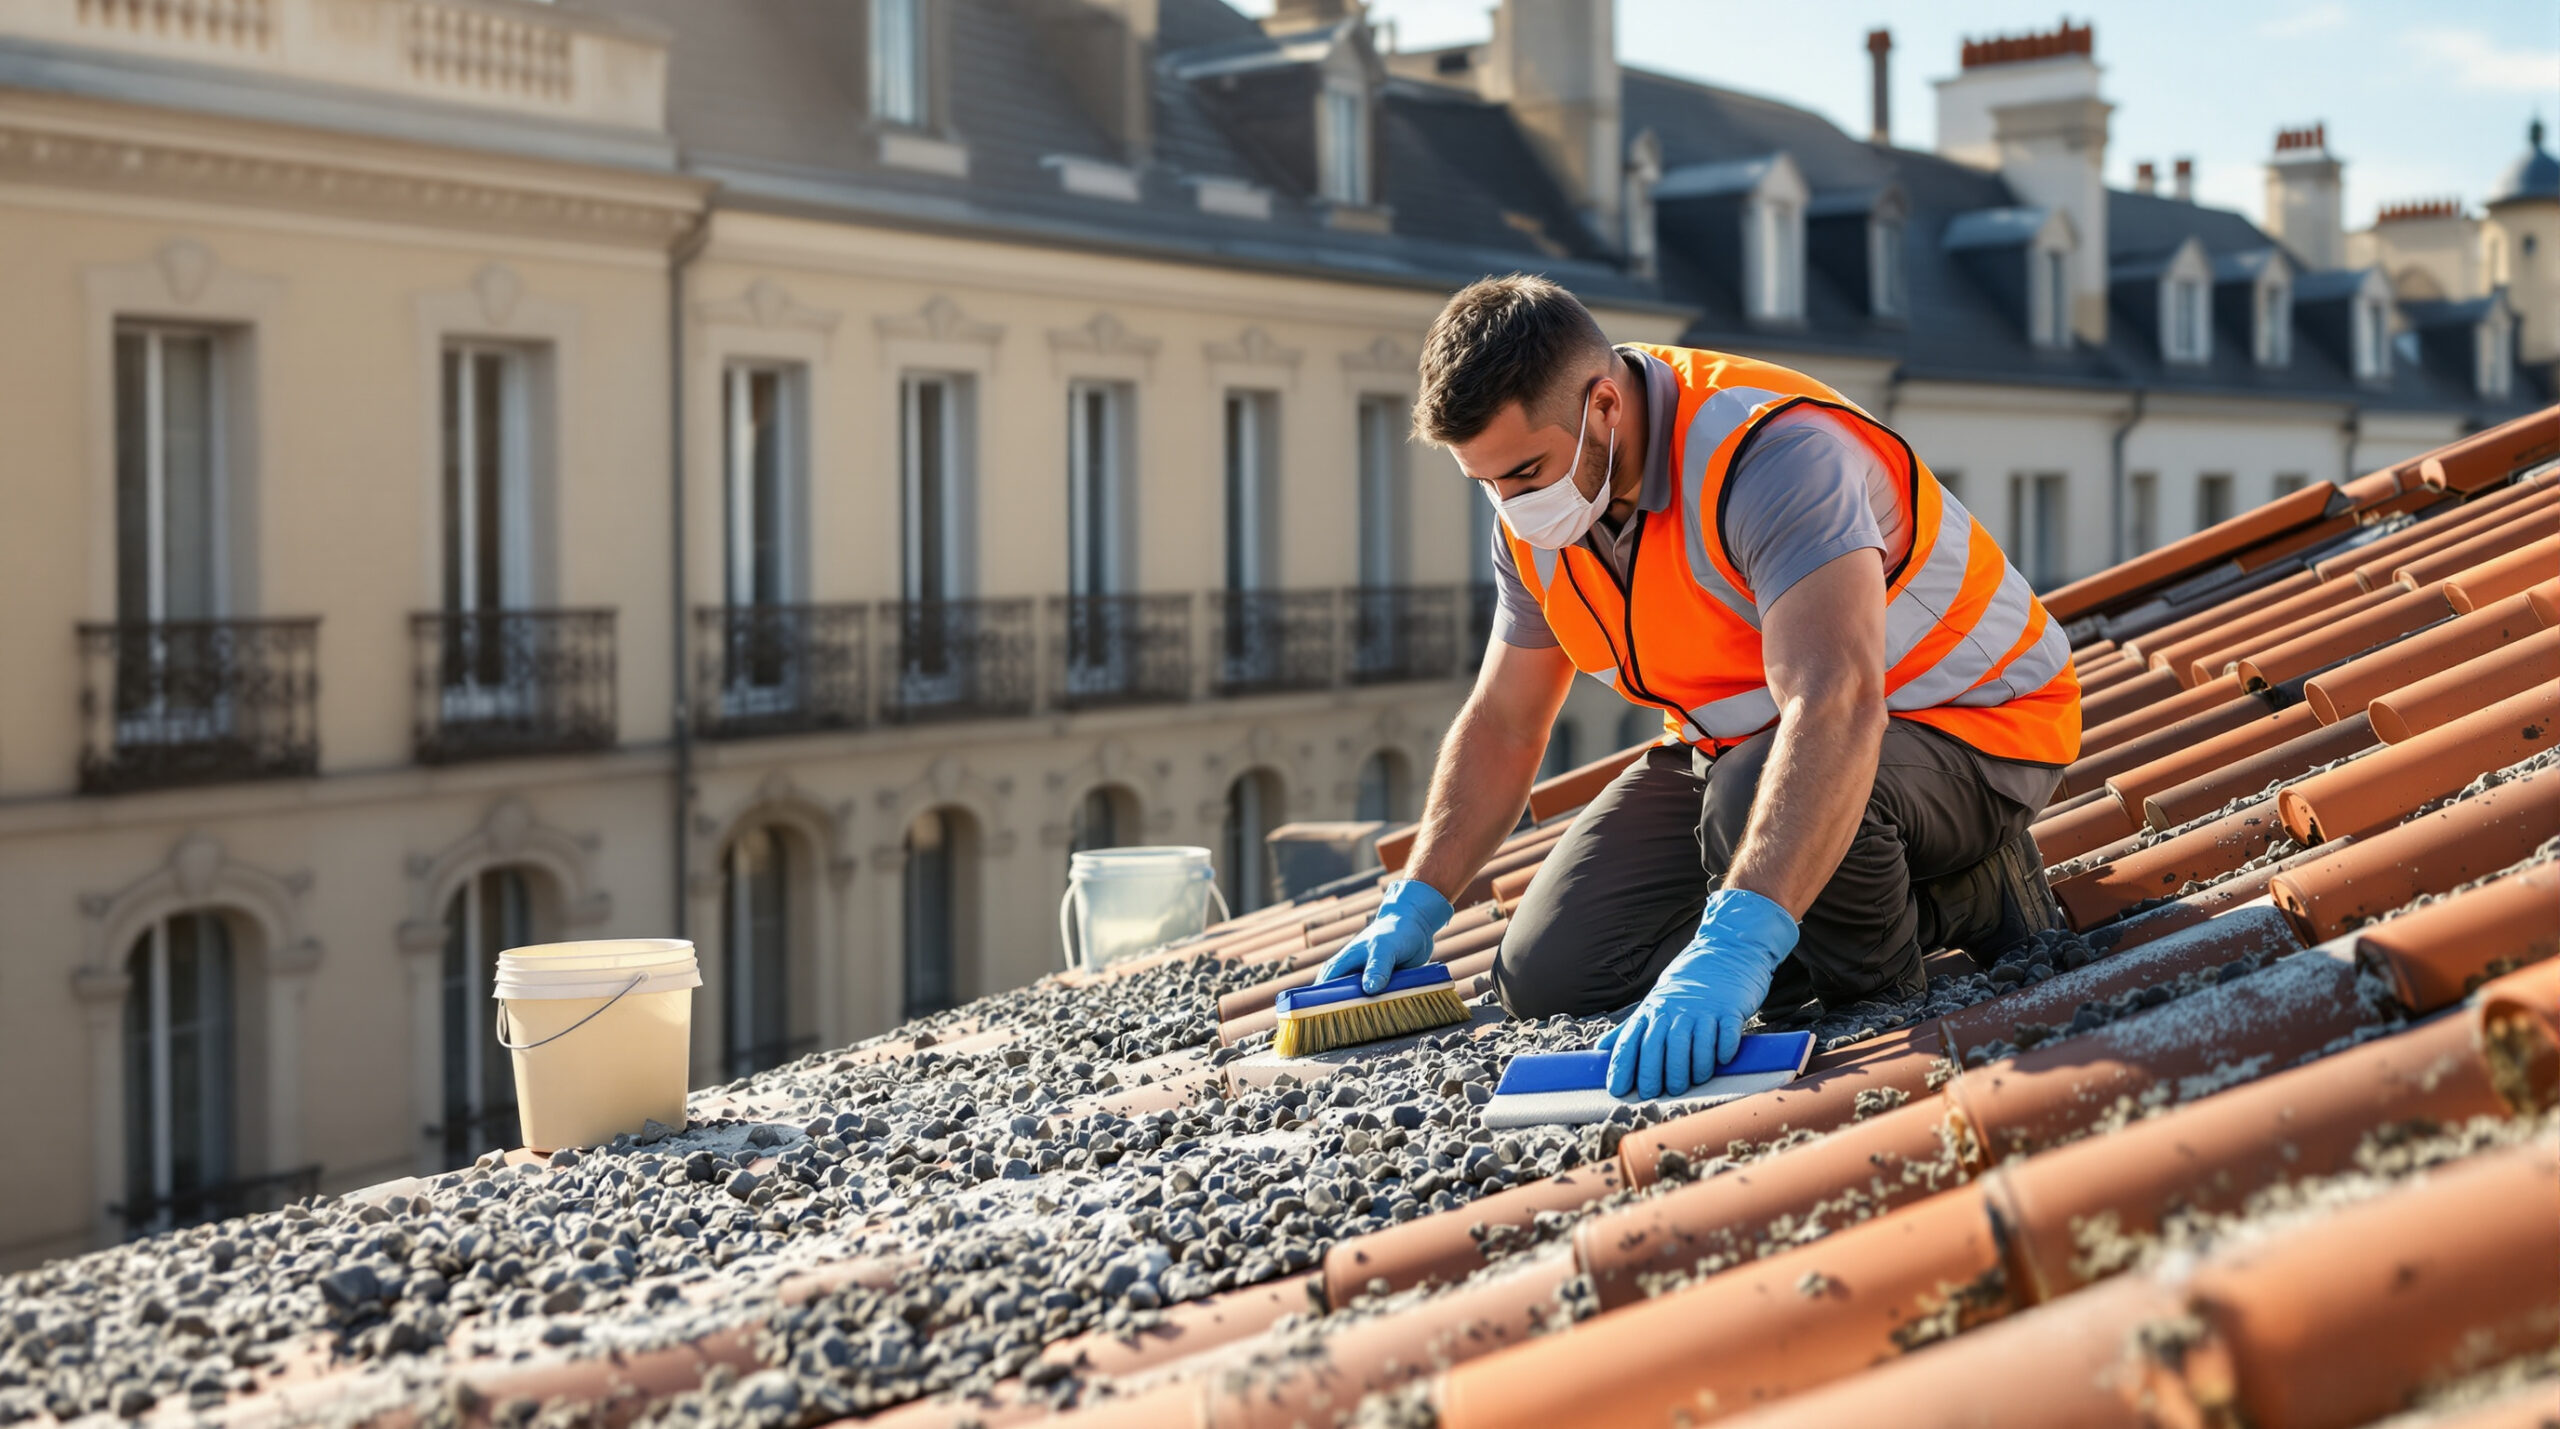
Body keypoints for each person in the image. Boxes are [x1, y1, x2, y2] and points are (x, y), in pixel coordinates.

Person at [1319, 275, 2080, 1101]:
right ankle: (1812, 913)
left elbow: (1837, 700)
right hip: (1741, 745)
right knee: (1548, 973)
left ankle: (1956, 907)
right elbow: (1506, 721)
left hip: (1976, 728)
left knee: (1751, 810)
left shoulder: (1774, 455)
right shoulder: (1541, 513)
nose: (1510, 504)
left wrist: (1735, 946)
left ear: (1605, 406)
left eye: (1526, 470)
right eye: (1487, 483)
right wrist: (1417, 899)